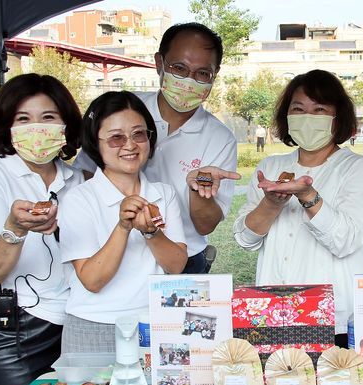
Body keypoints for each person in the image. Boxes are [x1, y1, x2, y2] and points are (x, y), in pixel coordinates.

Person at [0, 74, 84, 385]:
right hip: (10, 329)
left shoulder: (75, 179)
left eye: (48, 118)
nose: (37, 129)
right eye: (23, 120)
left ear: (65, 125)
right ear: (8, 129)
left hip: (71, 322)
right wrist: (15, 228)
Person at [73, 23, 240, 274]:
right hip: (113, 250)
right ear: (159, 63)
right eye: (179, 68)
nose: (189, 80)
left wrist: (199, 189)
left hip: (182, 258)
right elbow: (85, 173)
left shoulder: (220, 138)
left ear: (214, 75)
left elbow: (205, 226)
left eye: (202, 73)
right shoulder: (126, 109)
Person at [233, 70, 363, 346]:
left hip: (334, 317)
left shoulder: (356, 168)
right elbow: (245, 239)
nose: (307, 117)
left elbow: (346, 240)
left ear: (337, 117)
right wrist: (270, 204)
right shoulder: (270, 168)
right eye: (298, 109)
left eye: (319, 109)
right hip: (274, 314)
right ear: (286, 117)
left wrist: (309, 197)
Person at [58, 91, 187, 353]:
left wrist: (152, 233)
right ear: (96, 142)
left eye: (139, 134)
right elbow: (93, 280)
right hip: (93, 326)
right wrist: (123, 227)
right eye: (116, 137)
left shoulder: (164, 194)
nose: (130, 145)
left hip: (153, 324)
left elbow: (176, 266)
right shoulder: (78, 199)